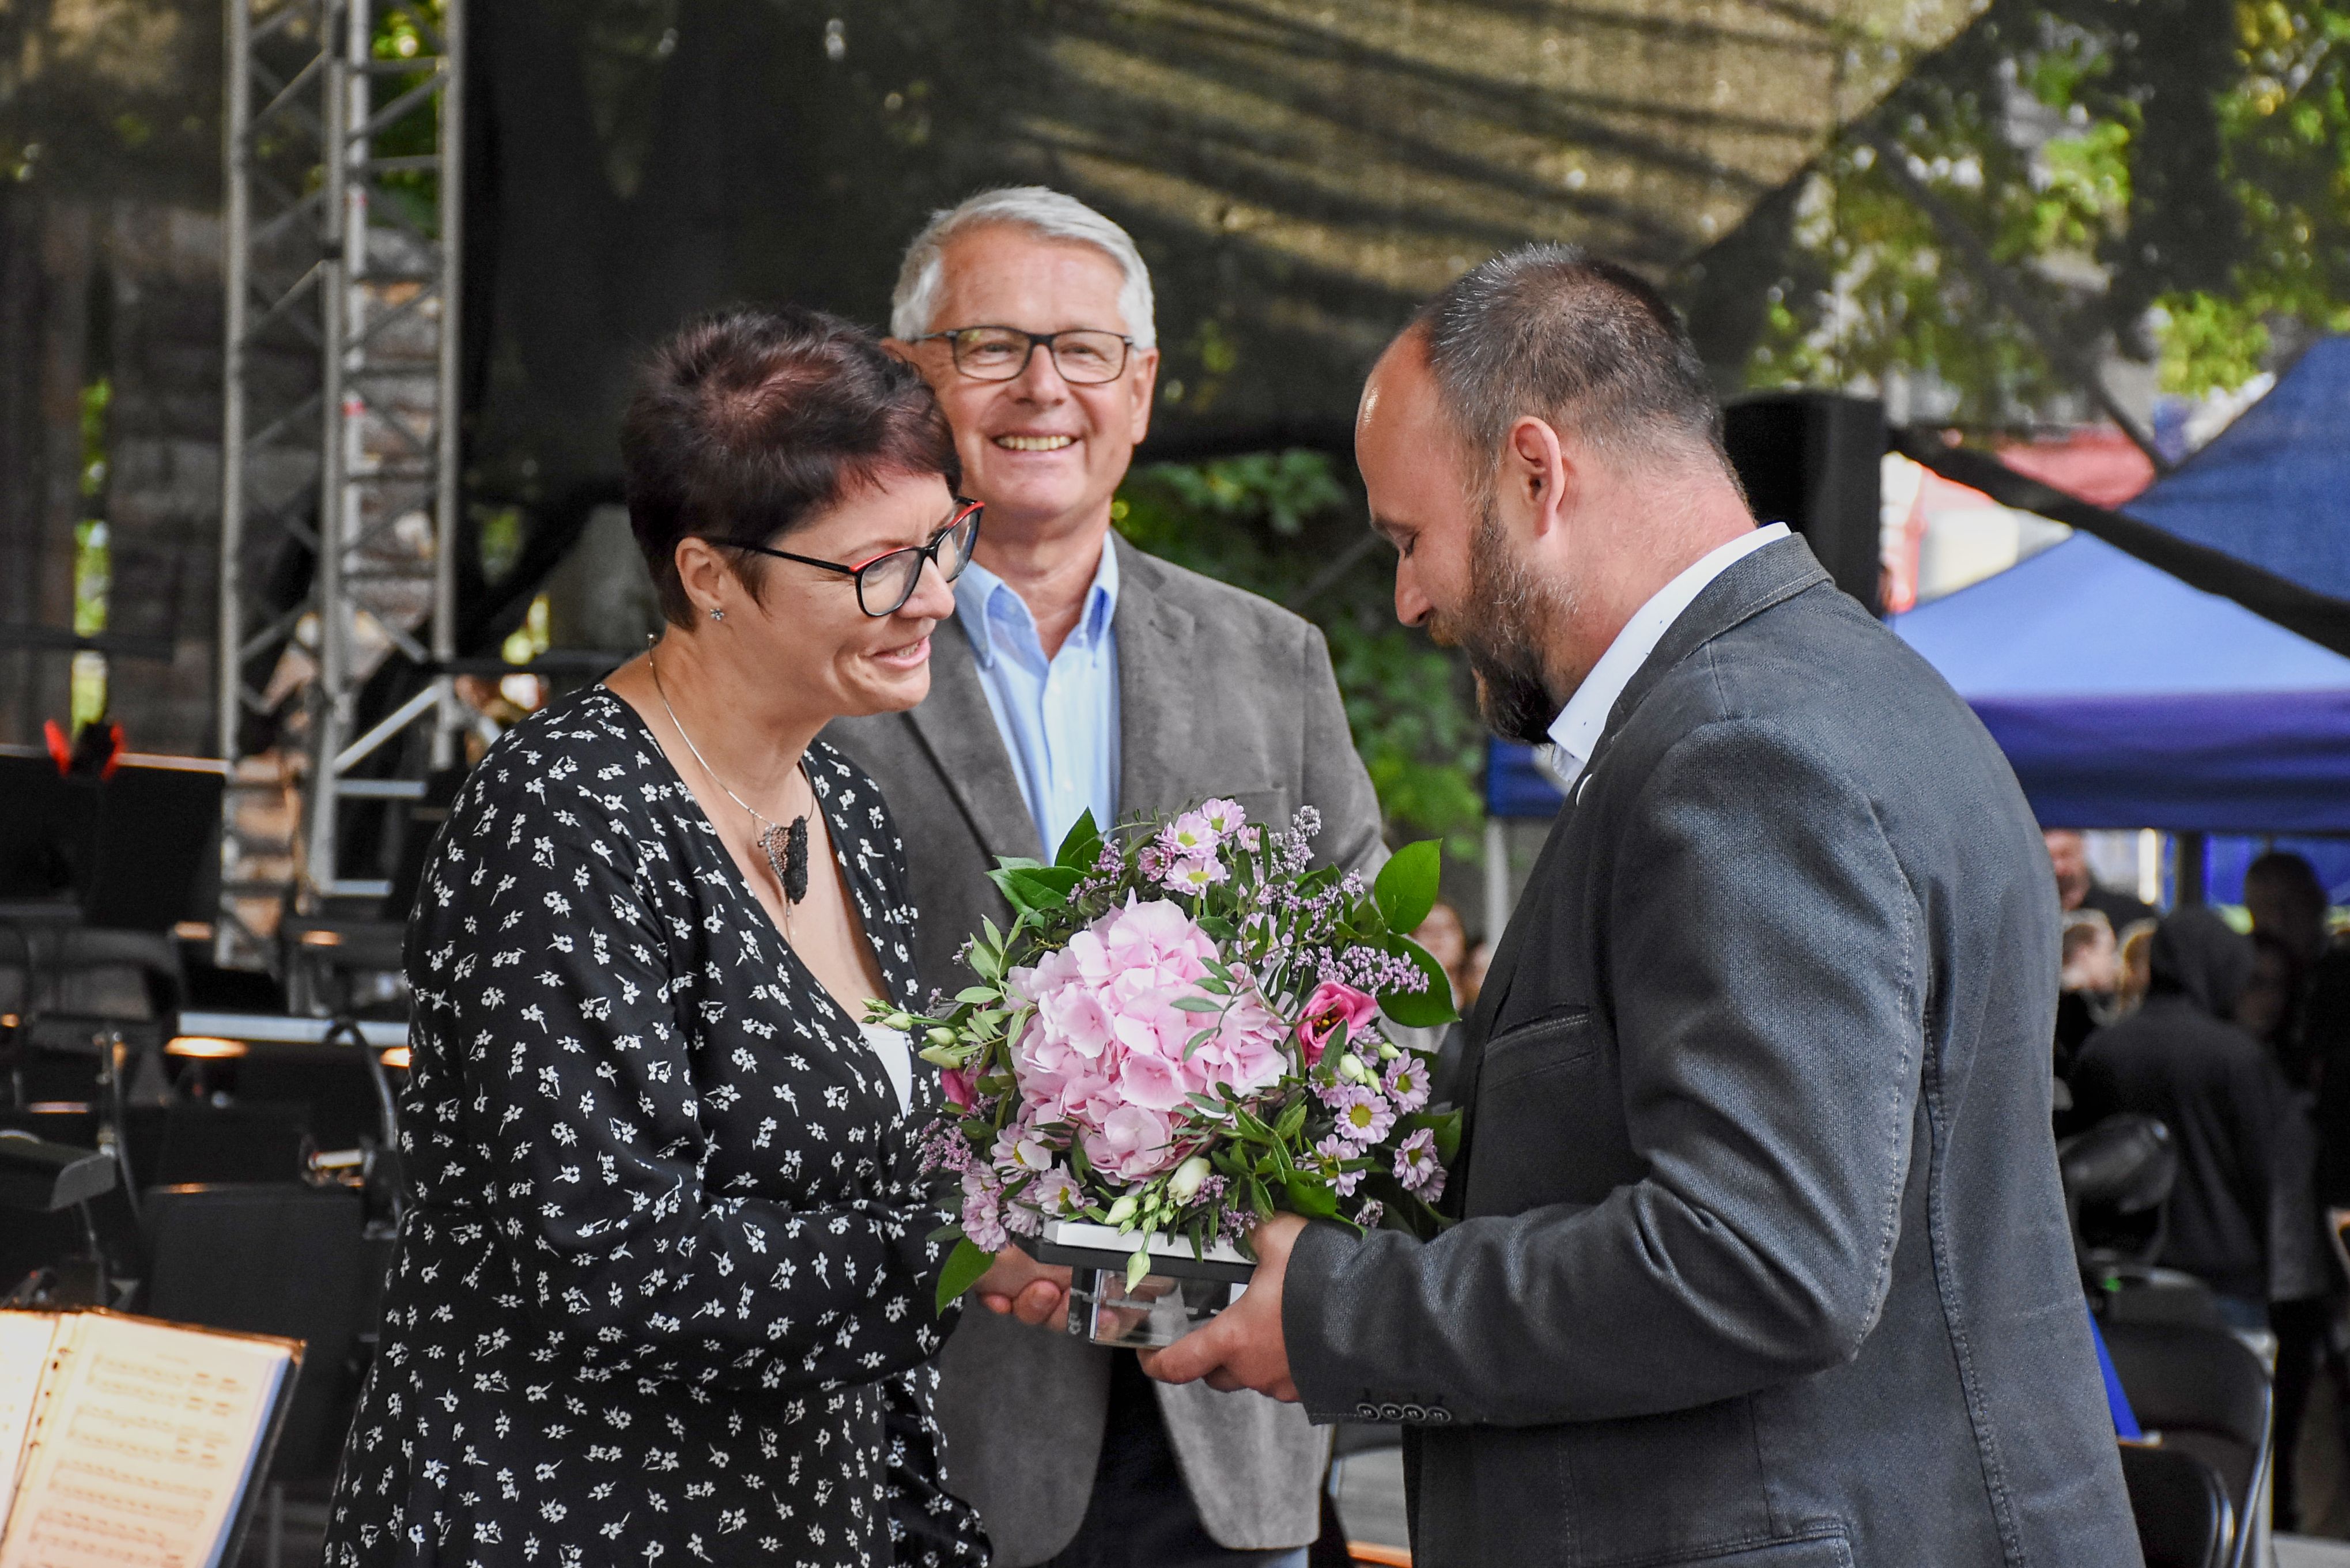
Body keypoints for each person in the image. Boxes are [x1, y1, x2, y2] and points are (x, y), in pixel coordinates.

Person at [1141, 245, 2135, 1564]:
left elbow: (1755, 1260)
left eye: (1408, 538)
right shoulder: (1810, 698)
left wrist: (1338, 1318)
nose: (1409, 597)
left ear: (1536, 473)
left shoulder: (1742, 748)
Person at [324, 306, 1050, 1566]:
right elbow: (616, 1252)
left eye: (945, 540)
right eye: (879, 564)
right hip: (558, 1519)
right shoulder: (564, 814)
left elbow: (868, 1195)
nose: (934, 594)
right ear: (711, 575)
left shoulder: (849, 807)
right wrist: (958, 1253)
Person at [827, 187, 1382, 1568]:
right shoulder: (826, 655)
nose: (1041, 389)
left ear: (1137, 392)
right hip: (930, 1412)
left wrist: (1291, 1207)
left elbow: (1365, 987)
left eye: (1083, 351)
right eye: (991, 344)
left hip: (1222, 1408)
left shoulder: (1272, 656)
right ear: (909, 380)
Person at [2046, 827, 2159, 935]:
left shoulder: (2132, 914)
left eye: (2066, 855)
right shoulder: (2033, 918)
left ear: (2083, 849)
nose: (2059, 868)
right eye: (2050, 858)